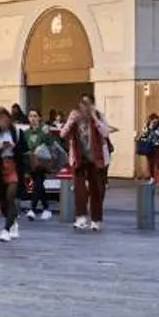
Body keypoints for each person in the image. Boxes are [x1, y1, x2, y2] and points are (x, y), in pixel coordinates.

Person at [63, 97, 112, 233]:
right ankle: (81, 217)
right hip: (80, 158)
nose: (85, 107)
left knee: (96, 190)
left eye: (88, 104)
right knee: (79, 189)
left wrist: (95, 120)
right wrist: (70, 121)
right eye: (82, 104)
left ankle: (96, 220)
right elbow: (63, 133)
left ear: (92, 105)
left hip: (96, 159)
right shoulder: (75, 118)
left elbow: (106, 133)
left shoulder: (98, 116)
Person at [0, 107, 24, 242]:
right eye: (0, 120)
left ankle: (6, 229)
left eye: (5, 119)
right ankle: (12, 222)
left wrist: (13, 146)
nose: (3, 123)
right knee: (3, 202)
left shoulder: (17, 132)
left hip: (13, 166)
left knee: (11, 196)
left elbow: (24, 149)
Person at [135, 115, 159, 184]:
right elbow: (144, 136)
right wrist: (150, 128)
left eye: (156, 120)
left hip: (158, 147)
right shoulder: (147, 127)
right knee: (150, 163)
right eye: (153, 120)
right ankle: (152, 178)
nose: (155, 121)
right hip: (149, 147)